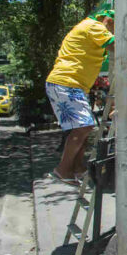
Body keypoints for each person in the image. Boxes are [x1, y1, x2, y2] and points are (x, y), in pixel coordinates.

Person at [46, 10, 115, 185]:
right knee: (83, 127)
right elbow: (116, 46)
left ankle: (77, 168)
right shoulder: (96, 27)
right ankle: (63, 169)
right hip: (68, 82)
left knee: (80, 128)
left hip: (68, 83)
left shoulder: (87, 26)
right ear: (108, 21)